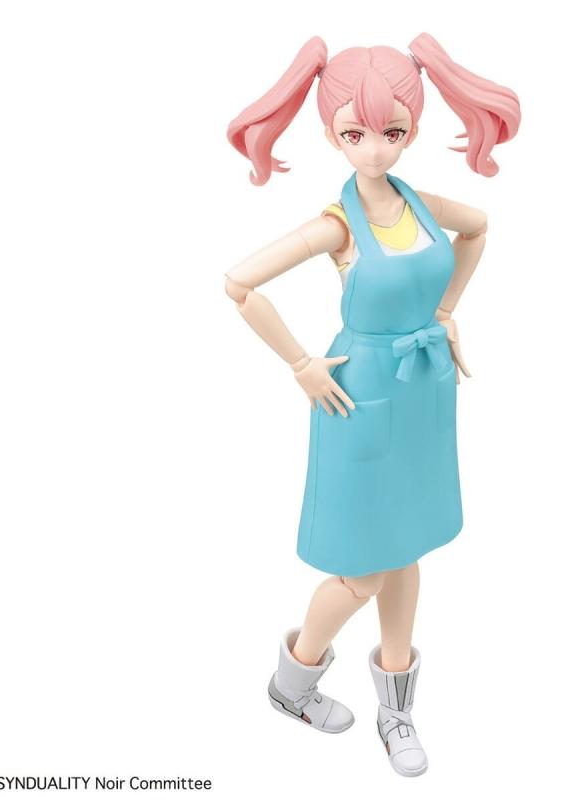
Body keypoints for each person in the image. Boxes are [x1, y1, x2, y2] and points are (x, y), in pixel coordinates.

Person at [224, 33, 520, 777]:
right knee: (362, 570)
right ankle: (294, 681)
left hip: (423, 393)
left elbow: (478, 229)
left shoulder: (421, 204)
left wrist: (444, 312)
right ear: (333, 135)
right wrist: (301, 364)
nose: (377, 148)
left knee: (407, 549)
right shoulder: (337, 224)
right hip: (358, 397)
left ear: (411, 129)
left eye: (392, 131)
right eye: (356, 134)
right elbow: (239, 283)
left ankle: (397, 710)